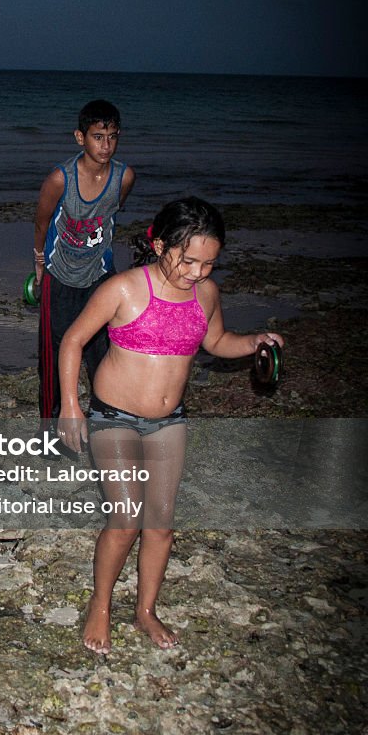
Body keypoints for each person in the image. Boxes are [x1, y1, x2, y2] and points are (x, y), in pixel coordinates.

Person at [57, 197, 283, 654]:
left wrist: (255, 341)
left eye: (209, 262)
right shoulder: (123, 289)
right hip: (114, 417)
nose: (198, 271)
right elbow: (74, 340)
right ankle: (100, 605)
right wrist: (69, 406)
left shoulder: (207, 294)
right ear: (160, 244)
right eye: (189, 259)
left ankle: (145, 611)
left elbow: (217, 341)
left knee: (159, 525)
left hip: (169, 422)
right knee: (125, 520)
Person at [34, 100, 135, 432]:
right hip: (60, 276)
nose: (105, 146)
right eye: (97, 137)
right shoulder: (59, 180)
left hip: (100, 277)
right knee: (54, 356)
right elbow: (41, 223)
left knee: (104, 355)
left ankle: (104, 426)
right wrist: (38, 264)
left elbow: (112, 209)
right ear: (80, 137)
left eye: (112, 137)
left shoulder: (124, 177)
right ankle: (51, 432)